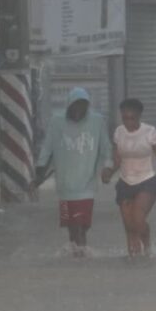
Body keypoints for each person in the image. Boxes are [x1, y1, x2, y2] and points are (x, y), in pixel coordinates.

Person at [35, 87, 112, 257]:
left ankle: (81, 260)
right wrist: (40, 172)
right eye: (75, 106)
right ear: (68, 106)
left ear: (88, 107)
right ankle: (76, 259)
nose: (79, 110)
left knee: (82, 226)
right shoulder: (56, 122)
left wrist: (107, 168)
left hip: (86, 185)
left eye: (83, 106)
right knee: (71, 227)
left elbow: (106, 149)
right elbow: (47, 149)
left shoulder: (97, 121)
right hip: (64, 187)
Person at [102, 99, 156, 259]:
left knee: (138, 219)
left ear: (139, 116)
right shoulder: (118, 132)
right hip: (125, 183)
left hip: (147, 181)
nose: (128, 122)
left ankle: (147, 248)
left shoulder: (150, 132)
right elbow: (117, 159)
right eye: (125, 118)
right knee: (129, 226)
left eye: (132, 118)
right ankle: (134, 262)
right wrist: (110, 171)